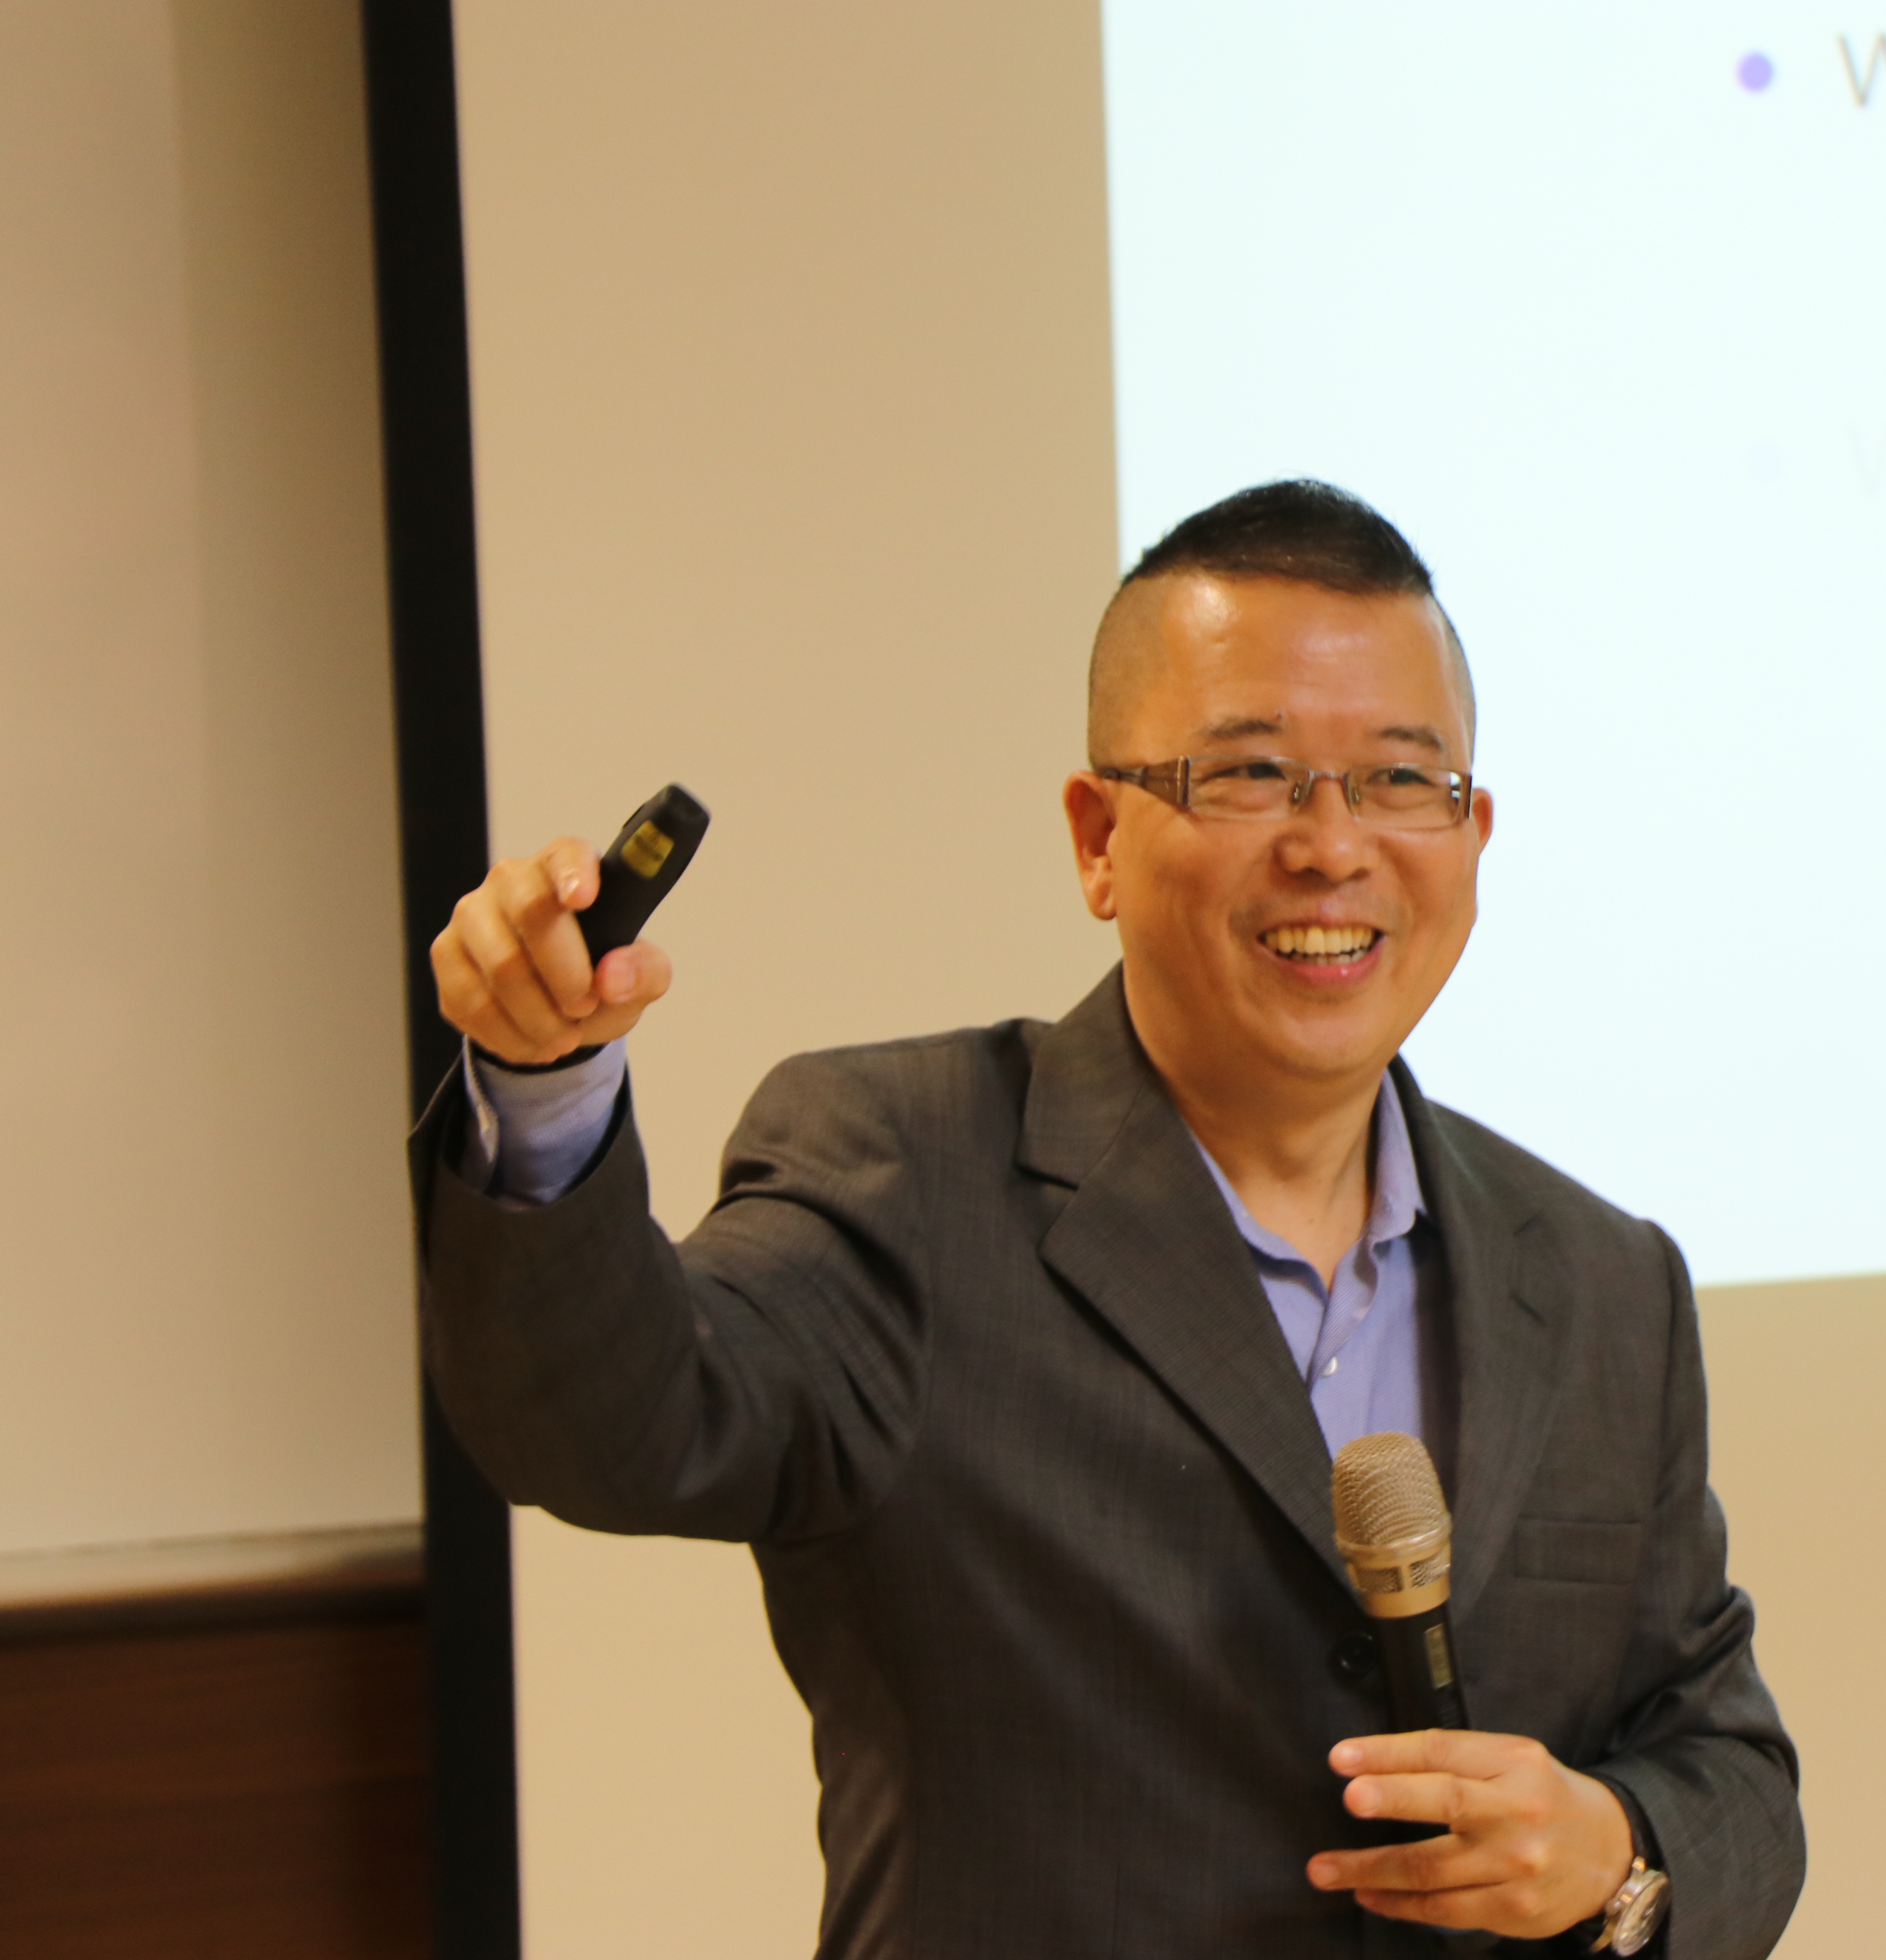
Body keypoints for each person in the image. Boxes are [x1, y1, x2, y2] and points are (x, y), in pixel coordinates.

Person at [416, 481, 1804, 1957]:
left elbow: (1726, 1765)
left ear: (1473, 833)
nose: (1334, 845)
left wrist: (1618, 1853)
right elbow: (613, 1422)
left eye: (1403, 780)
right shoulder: (905, 1171)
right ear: (1096, 837)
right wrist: (543, 1086)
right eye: (1252, 773)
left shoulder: (1600, 1280)